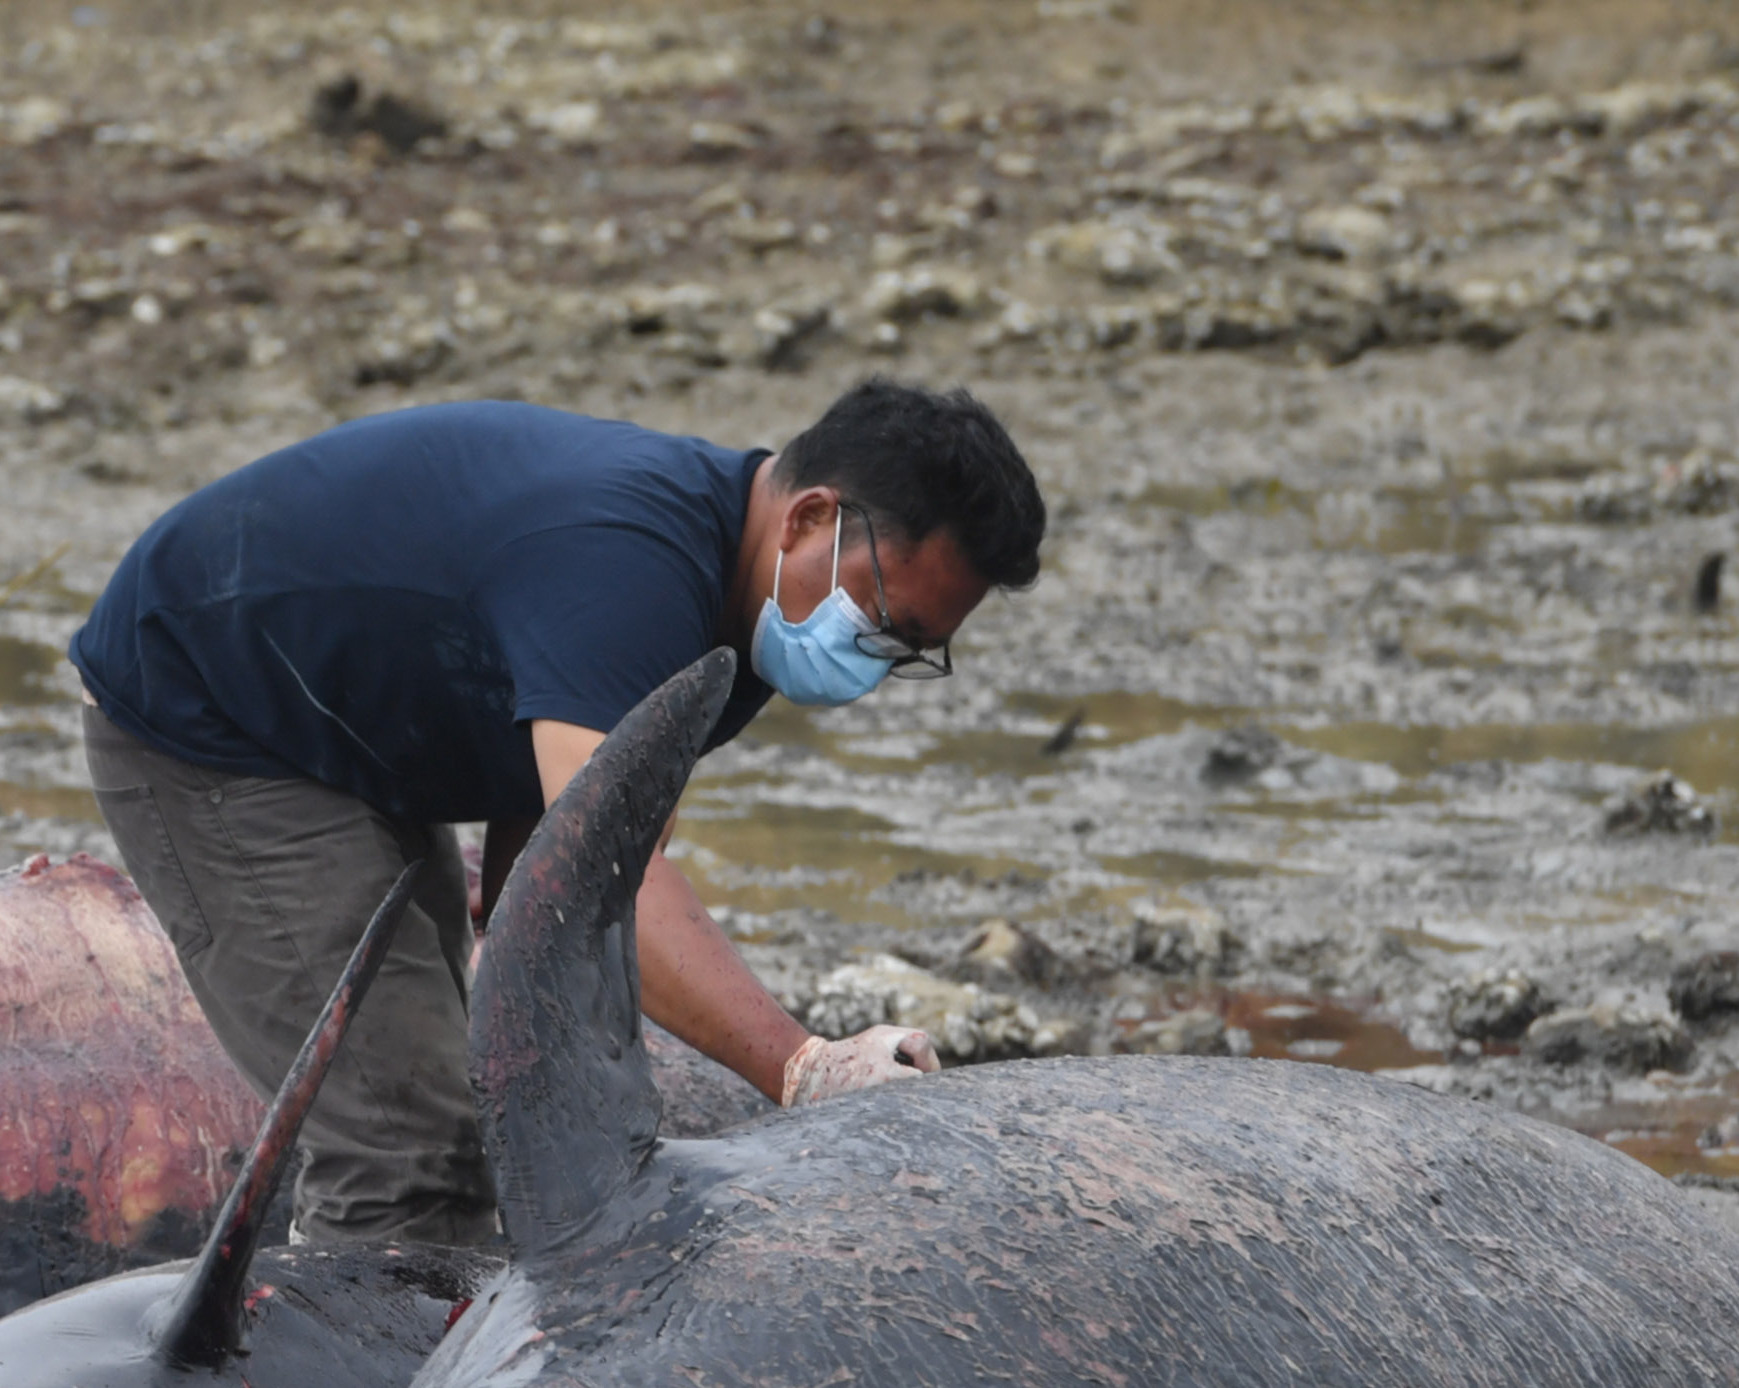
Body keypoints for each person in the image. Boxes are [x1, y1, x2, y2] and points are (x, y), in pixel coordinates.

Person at [72, 380, 1045, 1247]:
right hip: (211, 716)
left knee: (479, 1107)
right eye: (884, 624)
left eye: (910, 651)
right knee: (406, 1145)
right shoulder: (629, 570)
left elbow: (546, 873)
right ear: (808, 518)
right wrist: (803, 1066)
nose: (873, 662)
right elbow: (599, 884)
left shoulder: (736, 615)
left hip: (365, 726)